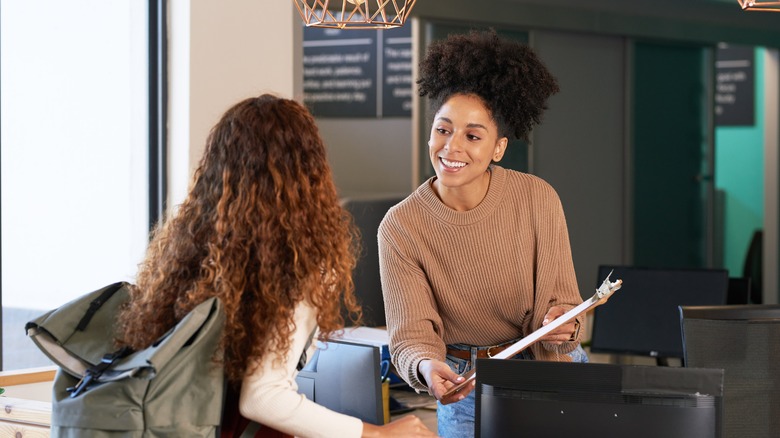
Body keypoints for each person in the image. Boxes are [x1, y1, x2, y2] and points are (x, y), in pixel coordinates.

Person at [117, 94, 437, 438]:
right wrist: (376, 433)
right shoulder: (296, 262)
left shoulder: (193, 249)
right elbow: (263, 398)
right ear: (309, 169)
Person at [378, 29, 588, 437]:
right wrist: (426, 365)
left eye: (472, 136)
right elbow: (411, 334)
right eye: (442, 129)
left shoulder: (537, 199)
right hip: (465, 382)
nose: (451, 147)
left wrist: (565, 323)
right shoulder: (401, 226)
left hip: (547, 370)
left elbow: (564, 306)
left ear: (498, 148)